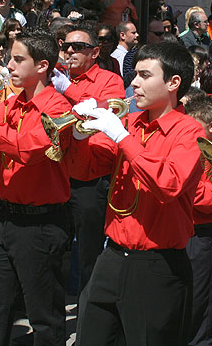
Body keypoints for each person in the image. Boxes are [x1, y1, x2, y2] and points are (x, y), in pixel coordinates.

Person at [68, 42, 204, 345]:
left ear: (173, 83)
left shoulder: (190, 131)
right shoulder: (129, 122)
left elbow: (169, 184)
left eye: (145, 75)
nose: (134, 83)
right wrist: (78, 135)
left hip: (157, 264)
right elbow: (84, 170)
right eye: (136, 74)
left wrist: (122, 137)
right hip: (113, 255)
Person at [0, 30, 72, 345]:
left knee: (44, 317)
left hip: (41, 222)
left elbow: (25, 149)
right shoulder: (11, 103)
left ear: (43, 66)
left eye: (18, 59)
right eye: (10, 58)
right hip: (5, 217)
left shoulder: (57, 108)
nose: (9, 65)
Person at [51, 27, 125, 296]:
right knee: (55, 249)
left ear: (94, 52)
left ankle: (88, 318)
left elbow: (101, 112)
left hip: (89, 178)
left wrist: (67, 89)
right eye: (66, 45)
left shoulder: (110, 80)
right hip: (57, 174)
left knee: (88, 253)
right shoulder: (56, 75)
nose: (70, 51)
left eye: (78, 46)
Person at [183, 93, 212, 345]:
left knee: (200, 302)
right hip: (181, 229)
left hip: (202, 234)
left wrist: (184, 187)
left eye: (194, 128)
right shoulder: (190, 145)